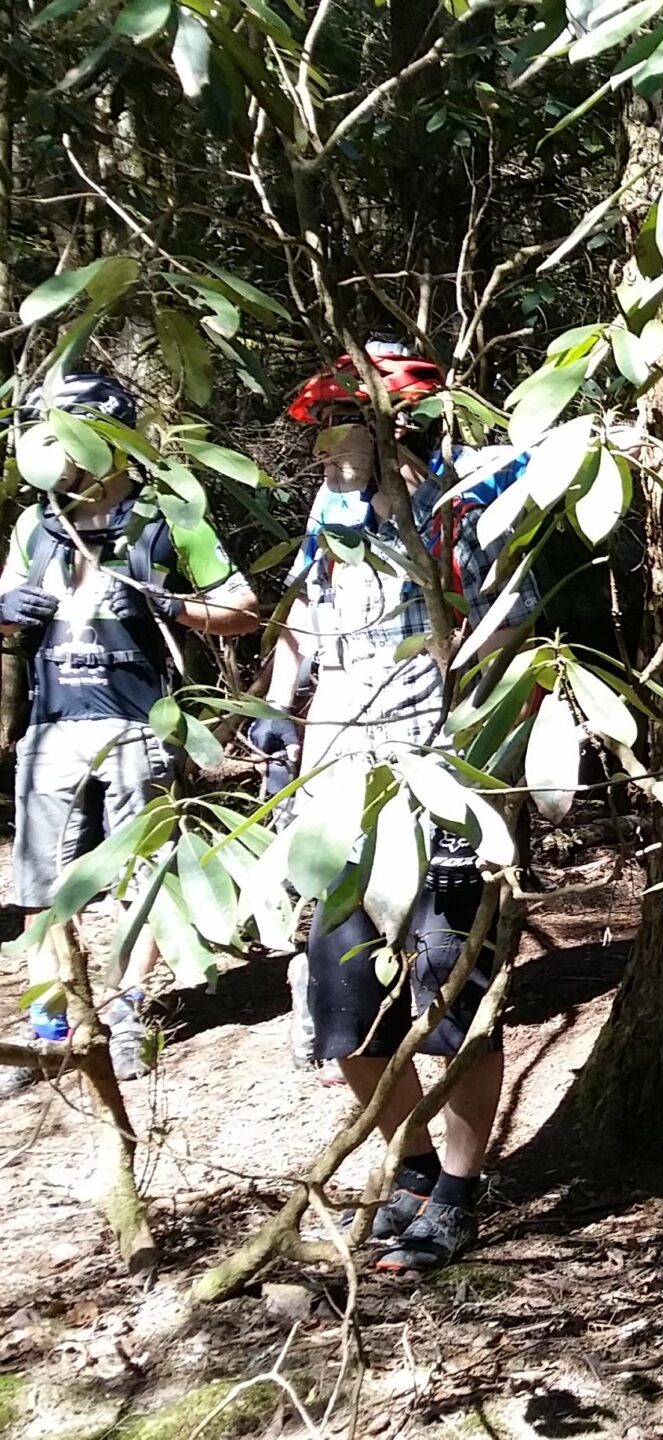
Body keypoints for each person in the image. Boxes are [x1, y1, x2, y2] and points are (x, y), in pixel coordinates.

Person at [248, 346, 538, 1274]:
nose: (330, 451)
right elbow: (301, 624)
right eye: (324, 433)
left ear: (393, 428)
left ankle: (459, 1187)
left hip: (442, 788)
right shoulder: (325, 517)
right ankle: (409, 1161)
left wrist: (490, 771)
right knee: (343, 1004)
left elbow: (512, 631)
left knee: (450, 993)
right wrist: (275, 713)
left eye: (345, 428)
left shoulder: (465, 509)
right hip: (338, 791)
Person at [0, 372, 262, 1091]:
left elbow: (243, 607)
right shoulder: (35, 525)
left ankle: (124, 1015)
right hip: (51, 726)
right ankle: (53, 1025)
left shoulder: (164, 519)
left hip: (138, 723)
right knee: (38, 885)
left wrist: (170, 605)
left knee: (144, 878)